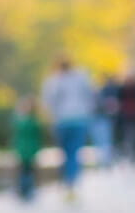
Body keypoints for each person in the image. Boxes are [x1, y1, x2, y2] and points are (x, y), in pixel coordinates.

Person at [41, 57, 96, 203]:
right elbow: (90, 97)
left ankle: (67, 181)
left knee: (65, 153)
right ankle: (71, 182)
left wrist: (52, 116)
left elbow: (49, 101)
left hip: (62, 121)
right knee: (74, 153)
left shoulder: (54, 80)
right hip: (79, 120)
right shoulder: (81, 78)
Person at [11, 96, 43, 203]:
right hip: (25, 150)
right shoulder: (28, 121)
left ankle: (26, 189)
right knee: (25, 170)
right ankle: (25, 189)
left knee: (27, 171)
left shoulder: (28, 122)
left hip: (27, 150)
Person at [93, 75, 121, 168]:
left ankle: (106, 160)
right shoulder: (117, 90)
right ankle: (107, 159)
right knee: (107, 140)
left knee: (103, 140)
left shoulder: (103, 91)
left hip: (103, 119)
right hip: (107, 119)